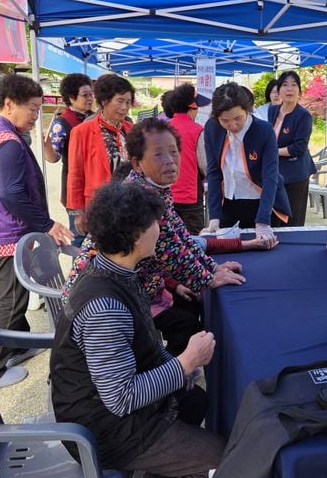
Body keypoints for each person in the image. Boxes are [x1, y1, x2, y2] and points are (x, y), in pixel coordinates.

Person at [51, 181, 225, 477]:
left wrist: (175, 367)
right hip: (105, 431)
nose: (161, 228)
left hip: (112, 412)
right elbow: (121, 398)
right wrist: (186, 362)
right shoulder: (105, 307)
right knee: (224, 457)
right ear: (134, 235)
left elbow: (147, 338)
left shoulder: (117, 271)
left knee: (196, 401)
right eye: (155, 223)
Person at [65, 117, 274, 356]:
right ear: (137, 163)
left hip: (139, 287)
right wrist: (207, 279)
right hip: (106, 297)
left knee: (189, 305)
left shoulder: (156, 189)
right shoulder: (139, 195)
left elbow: (180, 237)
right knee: (185, 319)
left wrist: (211, 269)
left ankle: (175, 368)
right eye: (158, 155)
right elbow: (168, 250)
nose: (170, 161)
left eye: (173, 152)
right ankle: (174, 373)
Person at [0, 74, 73, 389]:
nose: (36, 116)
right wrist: (47, 224)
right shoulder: (8, 141)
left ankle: (19, 342)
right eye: (33, 109)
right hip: (3, 231)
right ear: (9, 104)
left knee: (11, 291)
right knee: (10, 298)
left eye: (40, 110)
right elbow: (11, 194)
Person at [203, 82, 291, 244]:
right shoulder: (212, 128)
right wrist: (214, 215)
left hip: (262, 202)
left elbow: (270, 176)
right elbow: (214, 172)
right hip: (229, 203)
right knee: (228, 253)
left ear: (247, 110)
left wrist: (263, 220)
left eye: (238, 118)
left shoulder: (264, 130)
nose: (232, 125)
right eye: (225, 121)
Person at [67, 73, 135, 234]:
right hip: (98, 206)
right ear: (104, 101)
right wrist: (78, 212)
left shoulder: (131, 130)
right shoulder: (82, 132)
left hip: (129, 205)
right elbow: (75, 174)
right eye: (120, 101)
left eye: (128, 102)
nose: (124, 107)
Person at [42, 72, 94, 246]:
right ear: (71, 98)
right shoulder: (62, 123)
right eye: (85, 95)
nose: (90, 98)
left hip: (94, 185)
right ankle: (78, 273)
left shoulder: (93, 117)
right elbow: (53, 158)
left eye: (91, 94)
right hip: (75, 187)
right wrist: (47, 144)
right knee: (79, 238)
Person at [267, 70, 317, 227]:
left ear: (299, 91)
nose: (289, 89)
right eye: (285, 85)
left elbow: (299, 148)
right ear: (279, 90)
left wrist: (272, 152)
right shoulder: (273, 110)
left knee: (293, 217)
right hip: (276, 172)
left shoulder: (303, 115)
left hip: (296, 173)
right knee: (275, 215)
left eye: (294, 85)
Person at [168, 83, 209, 234]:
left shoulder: (163, 128)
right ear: (191, 107)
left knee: (170, 238)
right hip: (190, 194)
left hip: (167, 194)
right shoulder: (197, 130)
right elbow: (204, 165)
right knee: (194, 239)